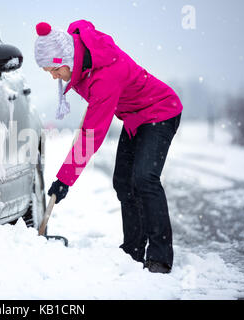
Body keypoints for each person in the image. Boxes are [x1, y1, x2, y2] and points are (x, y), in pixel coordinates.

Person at [34, 20, 183, 274]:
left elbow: (91, 135)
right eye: (49, 71)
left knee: (144, 177)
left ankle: (159, 255)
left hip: (160, 111)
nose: (53, 76)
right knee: (123, 182)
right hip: (135, 117)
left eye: (54, 70)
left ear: (67, 60)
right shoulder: (78, 52)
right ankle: (134, 250)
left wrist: (65, 180)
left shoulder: (105, 77)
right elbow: (81, 26)